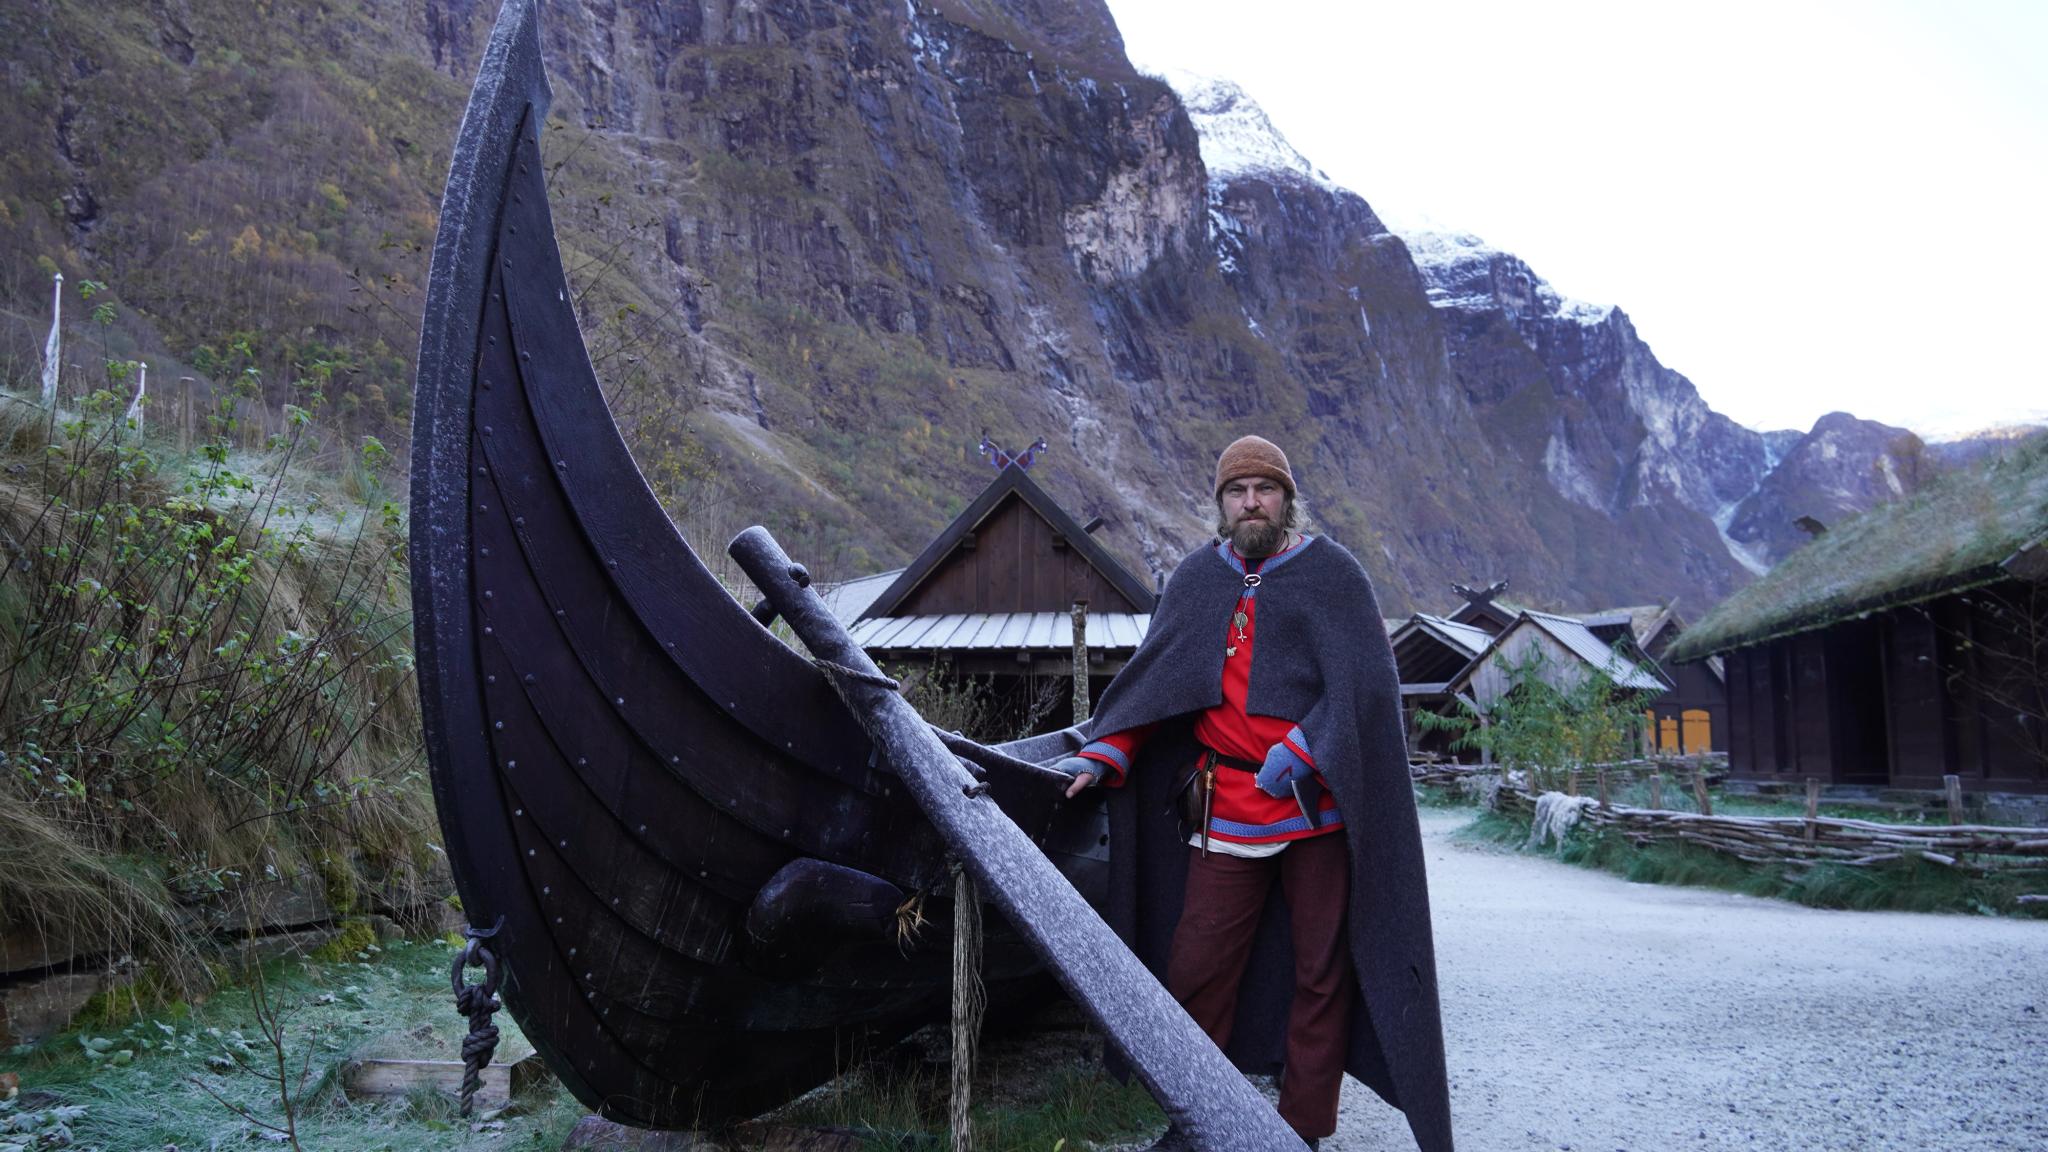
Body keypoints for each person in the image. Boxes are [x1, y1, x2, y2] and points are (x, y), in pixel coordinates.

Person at [1056, 436, 1452, 1152]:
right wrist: (1109, 748)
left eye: (1263, 489)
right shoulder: (1197, 580)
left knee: (1321, 974)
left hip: (1314, 810)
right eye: (1237, 492)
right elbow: (1157, 679)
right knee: (1197, 966)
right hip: (1226, 807)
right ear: (1220, 505)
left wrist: (1305, 747)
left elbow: (1365, 688)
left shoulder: (1335, 576)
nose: (1250, 502)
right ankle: (1199, 1119)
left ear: (1285, 498)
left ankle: (1298, 1132)